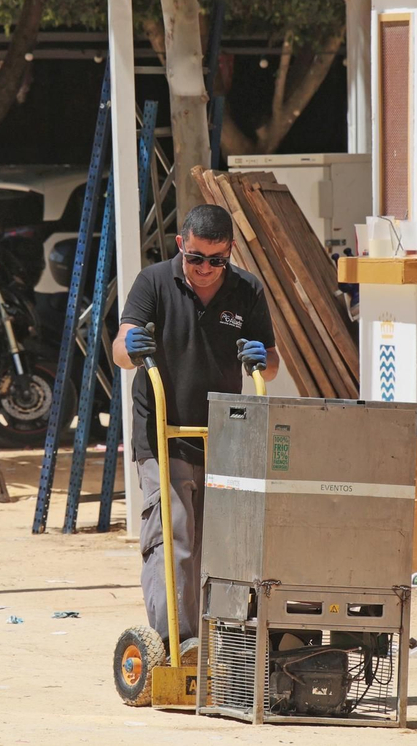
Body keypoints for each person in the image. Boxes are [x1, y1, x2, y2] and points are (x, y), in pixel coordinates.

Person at [111, 204, 279, 657]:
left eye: (216, 260)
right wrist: (131, 345)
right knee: (174, 535)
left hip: (224, 434)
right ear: (181, 244)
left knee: (220, 543)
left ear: (230, 254)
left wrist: (263, 357)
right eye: (196, 258)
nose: (205, 270)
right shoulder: (153, 282)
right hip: (161, 431)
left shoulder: (247, 290)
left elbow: (274, 360)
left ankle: (222, 638)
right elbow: (119, 348)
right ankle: (177, 641)